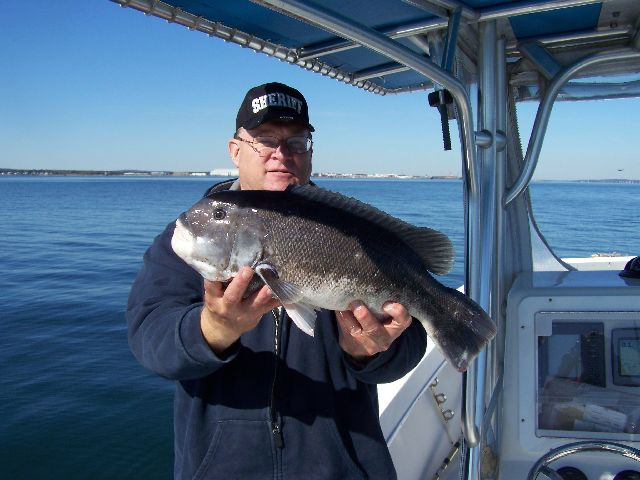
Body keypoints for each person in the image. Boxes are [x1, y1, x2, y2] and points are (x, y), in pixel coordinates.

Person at [126, 82, 428, 479]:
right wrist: (214, 329)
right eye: (265, 140)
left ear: (310, 153)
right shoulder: (191, 239)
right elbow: (151, 341)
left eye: (296, 142)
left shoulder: (353, 233)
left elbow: (408, 344)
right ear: (235, 151)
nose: (281, 155)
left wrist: (368, 351)